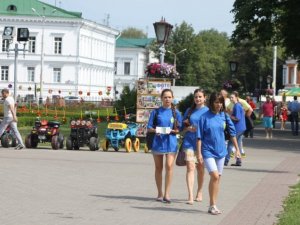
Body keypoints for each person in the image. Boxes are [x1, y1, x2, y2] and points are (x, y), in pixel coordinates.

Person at [196, 92, 241, 215]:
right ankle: (212, 205)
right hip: (207, 151)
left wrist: (237, 150)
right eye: (216, 102)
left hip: (221, 151)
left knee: (217, 179)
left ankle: (212, 204)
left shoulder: (224, 116)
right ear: (211, 103)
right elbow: (199, 137)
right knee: (215, 176)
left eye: (220, 102)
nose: (218, 104)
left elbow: (232, 133)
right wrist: (199, 154)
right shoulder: (204, 117)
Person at [147, 89, 182, 203]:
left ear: (172, 98)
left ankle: (167, 193)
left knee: (169, 166)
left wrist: (173, 130)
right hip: (158, 143)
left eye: (169, 97)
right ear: (161, 98)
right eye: (165, 97)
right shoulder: (156, 112)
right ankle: (159, 193)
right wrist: (159, 130)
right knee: (158, 168)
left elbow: (179, 129)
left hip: (171, 143)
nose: (167, 99)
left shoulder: (176, 113)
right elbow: (149, 127)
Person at [181, 89, 209, 204]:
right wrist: (188, 128)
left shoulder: (208, 111)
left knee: (200, 168)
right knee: (190, 167)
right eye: (196, 97)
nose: (198, 99)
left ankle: (200, 191)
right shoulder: (189, 110)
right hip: (189, 142)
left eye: (200, 97)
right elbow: (183, 127)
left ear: (205, 98)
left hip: (202, 143)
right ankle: (190, 195)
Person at [225, 91, 246, 166]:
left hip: (237, 128)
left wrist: (228, 116)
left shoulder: (237, 106)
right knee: (238, 145)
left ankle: (226, 160)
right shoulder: (239, 105)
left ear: (237, 97)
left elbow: (237, 118)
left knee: (230, 144)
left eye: (232, 97)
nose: (231, 99)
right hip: (242, 128)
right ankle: (239, 161)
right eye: (230, 97)